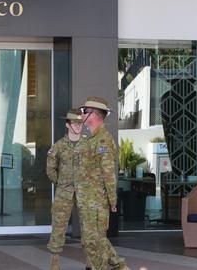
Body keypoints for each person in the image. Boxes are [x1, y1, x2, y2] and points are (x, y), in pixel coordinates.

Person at [77, 96, 130, 270]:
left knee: (94, 241)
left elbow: (108, 174)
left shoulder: (103, 140)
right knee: (90, 240)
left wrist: (112, 201)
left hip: (96, 201)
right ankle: (118, 267)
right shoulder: (91, 139)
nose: (81, 114)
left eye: (84, 111)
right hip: (87, 200)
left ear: (92, 114)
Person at [46, 108, 86, 270]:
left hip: (85, 192)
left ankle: (90, 262)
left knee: (89, 227)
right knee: (58, 226)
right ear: (67, 124)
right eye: (75, 123)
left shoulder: (88, 145)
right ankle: (54, 262)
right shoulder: (59, 146)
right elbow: (50, 169)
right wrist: (61, 183)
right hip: (64, 192)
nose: (78, 126)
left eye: (80, 123)